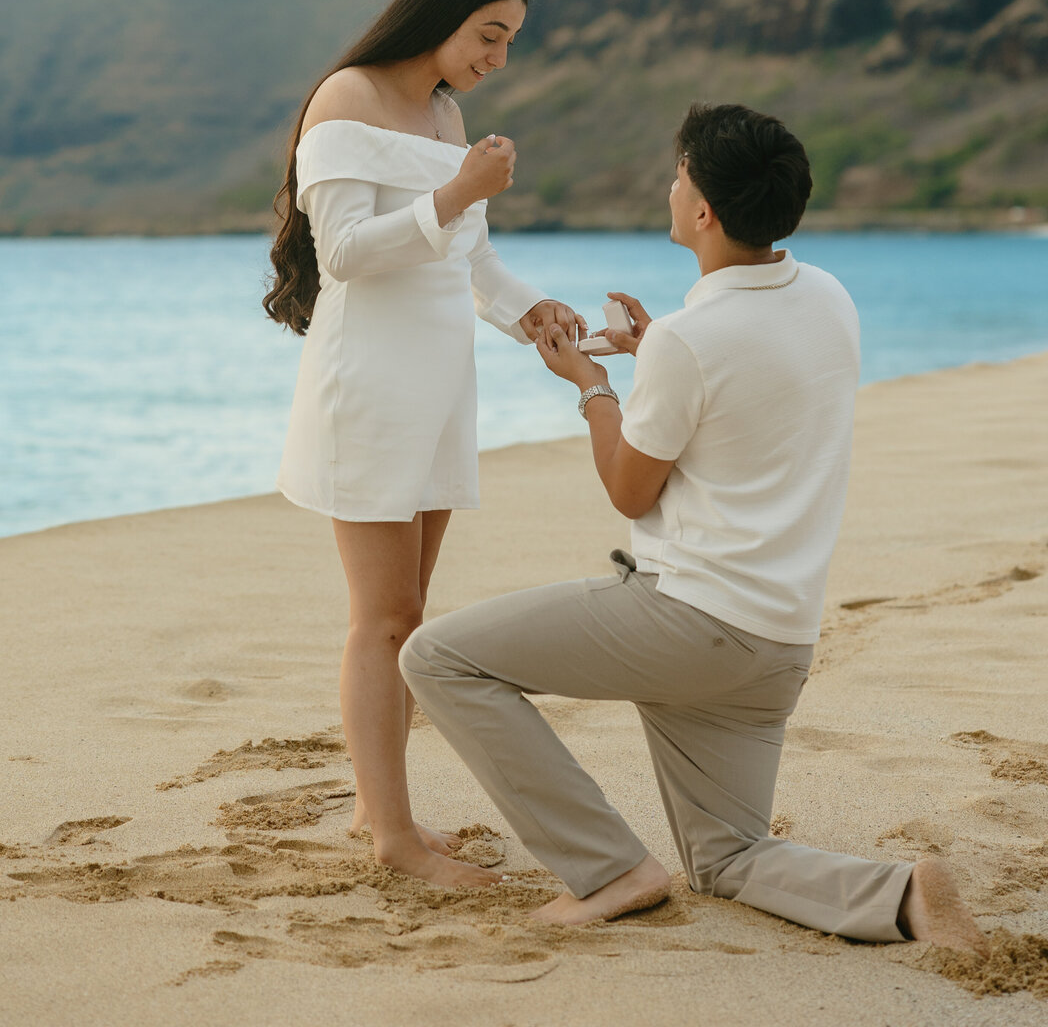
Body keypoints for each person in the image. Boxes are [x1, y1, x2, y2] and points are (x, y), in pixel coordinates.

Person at [400, 103, 989, 951]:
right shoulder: (827, 296)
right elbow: (756, 383)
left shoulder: (691, 338)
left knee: (438, 657)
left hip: (691, 627)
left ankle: (609, 870)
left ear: (704, 209)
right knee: (729, 858)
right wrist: (653, 356)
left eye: (680, 175)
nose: (672, 186)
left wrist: (592, 384)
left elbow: (630, 491)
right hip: (775, 644)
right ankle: (902, 898)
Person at [264, 0, 582, 890]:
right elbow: (350, 255)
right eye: (490, 35)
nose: (498, 58)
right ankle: (395, 841)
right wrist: (456, 192)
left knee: (413, 616)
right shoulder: (345, 101)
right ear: (439, 16)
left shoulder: (447, 114)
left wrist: (532, 311)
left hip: (441, 389)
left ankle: (377, 805)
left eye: (511, 41)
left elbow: (468, 261)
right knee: (386, 616)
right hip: (367, 388)